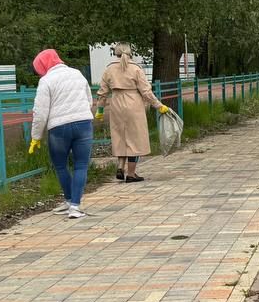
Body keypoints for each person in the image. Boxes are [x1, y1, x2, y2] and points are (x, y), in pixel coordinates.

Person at [29, 48, 95, 219]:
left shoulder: (46, 81)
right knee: (81, 165)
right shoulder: (77, 73)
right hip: (84, 124)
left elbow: (40, 112)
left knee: (60, 165)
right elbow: (89, 100)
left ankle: (68, 199)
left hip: (59, 129)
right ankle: (75, 206)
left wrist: (35, 137)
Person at [95, 43, 170, 183]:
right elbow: (146, 91)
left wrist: (99, 110)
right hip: (133, 102)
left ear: (115, 53)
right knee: (134, 138)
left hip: (116, 103)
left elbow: (102, 92)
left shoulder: (109, 69)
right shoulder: (136, 68)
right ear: (130, 53)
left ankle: (120, 166)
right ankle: (131, 173)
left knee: (120, 136)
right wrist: (159, 106)